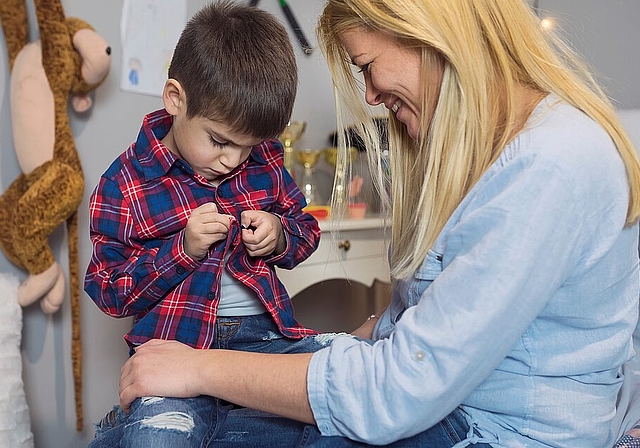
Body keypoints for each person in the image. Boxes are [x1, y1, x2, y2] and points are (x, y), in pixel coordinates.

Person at [109, 0, 640, 446]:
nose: (368, 95)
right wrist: (345, 343)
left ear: (427, 33)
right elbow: (429, 322)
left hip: (493, 428)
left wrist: (201, 367)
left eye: (366, 66)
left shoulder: (551, 163)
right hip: (448, 402)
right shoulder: (490, 155)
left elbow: (400, 387)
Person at [84, 2, 338, 447]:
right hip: (174, 348)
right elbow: (109, 291)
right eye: (220, 141)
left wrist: (279, 236)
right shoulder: (125, 183)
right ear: (175, 100)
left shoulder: (264, 163)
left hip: (265, 341)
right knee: (159, 439)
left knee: (347, 390)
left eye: (250, 145)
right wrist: (181, 249)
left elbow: (306, 231)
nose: (233, 159)